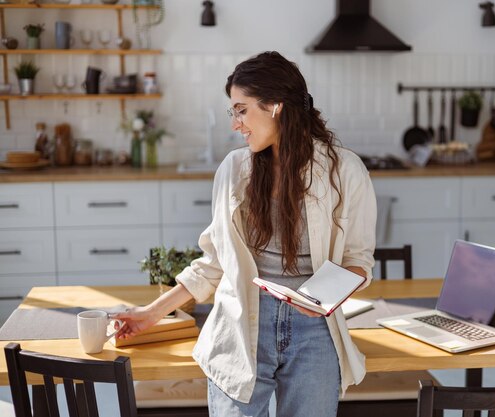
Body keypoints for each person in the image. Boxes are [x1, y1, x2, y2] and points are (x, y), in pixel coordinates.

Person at [113, 51, 376, 417]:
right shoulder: (235, 169)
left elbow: (359, 262)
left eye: (241, 109)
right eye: (233, 112)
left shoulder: (345, 170)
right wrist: (151, 313)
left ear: (275, 107)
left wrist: (320, 299)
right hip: (241, 327)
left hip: (315, 332)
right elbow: (214, 264)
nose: (236, 124)